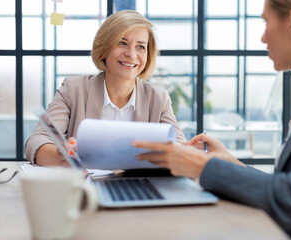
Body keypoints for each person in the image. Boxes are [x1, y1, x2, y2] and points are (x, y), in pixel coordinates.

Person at [132, 0, 291, 239]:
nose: (262, 38)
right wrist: (232, 165)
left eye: (266, 21)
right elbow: (289, 184)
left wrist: (200, 165)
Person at [25, 10, 186, 166]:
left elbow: (182, 150)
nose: (131, 54)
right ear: (105, 47)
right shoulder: (74, 89)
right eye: (122, 43)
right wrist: (62, 156)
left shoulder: (158, 98)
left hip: (138, 189)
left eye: (140, 47)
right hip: (86, 188)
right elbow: (37, 141)